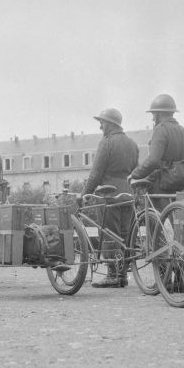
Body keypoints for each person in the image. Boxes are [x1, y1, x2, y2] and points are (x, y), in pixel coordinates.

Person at [129, 94, 184, 293]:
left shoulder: (161, 131)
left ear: (160, 114)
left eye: (154, 115)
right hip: (182, 189)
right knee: (179, 232)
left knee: (158, 231)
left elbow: (153, 161)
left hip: (162, 187)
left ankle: (164, 279)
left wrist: (134, 175)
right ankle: (179, 280)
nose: (153, 118)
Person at [82, 108, 139, 288]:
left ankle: (113, 275)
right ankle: (122, 275)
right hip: (128, 193)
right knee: (125, 234)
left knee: (109, 234)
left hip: (109, 194)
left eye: (102, 122)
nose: (100, 126)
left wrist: (84, 195)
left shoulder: (106, 143)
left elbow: (95, 174)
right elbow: (134, 170)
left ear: (110, 124)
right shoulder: (132, 144)